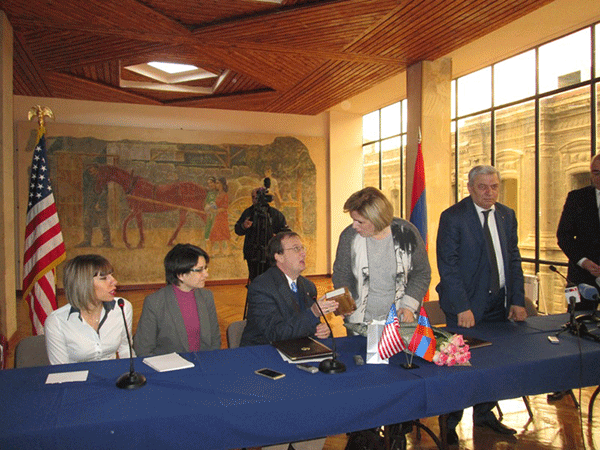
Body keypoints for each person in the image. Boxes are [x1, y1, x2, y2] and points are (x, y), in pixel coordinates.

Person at [436, 165, 527, 443]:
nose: (490, 192)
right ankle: (450, 423)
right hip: (465, 306)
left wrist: (517, 299)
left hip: (499, 303)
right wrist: (462, 306)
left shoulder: (506, 215)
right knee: (460, 365)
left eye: (494, 186)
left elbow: (513, 259)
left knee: (493, 361)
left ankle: (485, 415)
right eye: (483, 187)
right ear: (470, 187)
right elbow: (448, 266)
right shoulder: (453, 217)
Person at [240, 231, 338, 450]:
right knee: (285, 409)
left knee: (326, 398)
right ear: (278, 256)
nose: (303, 253)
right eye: (296, 249)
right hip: (264, 358)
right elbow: (275, 333)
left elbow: (306, 326)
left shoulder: (308, 286)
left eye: (303, 248)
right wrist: (313, 313)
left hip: (297, 354)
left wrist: (321, 330)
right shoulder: (262, 286)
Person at [332, 187, 431, 326]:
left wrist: (409, 305)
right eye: (353, 220)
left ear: (376, 220)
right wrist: (346, 302)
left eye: (360, 222)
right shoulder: (349, 236)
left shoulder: (407, 233)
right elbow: (341, 274)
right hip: (360, 321)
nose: (354, 226)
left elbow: (422, 273)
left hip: (401, 318)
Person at [134, 243, 221, 357]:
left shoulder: (206, 296)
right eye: (200, 270)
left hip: (204, 362)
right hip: (168, 365)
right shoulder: (155, 302)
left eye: (205, 268)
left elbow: (215, 339)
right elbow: (143, 349)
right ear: (180, 275)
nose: (206, 274)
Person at [44, 254, 133, 365]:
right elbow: (60, 369)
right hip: (76, 375)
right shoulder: (56, 321)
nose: (114, 282)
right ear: (83, 284)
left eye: (111, 275)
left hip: (112, 373)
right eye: (104, 278)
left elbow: (126, 349)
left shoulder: (122, 307)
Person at [557, 153, 600, 311]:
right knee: (576, 321)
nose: (599, 177)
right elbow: (564, 236)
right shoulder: (576, 198)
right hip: (580, 276)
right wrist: (584, 262)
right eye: (596, 172)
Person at [234, 187, 290, 282]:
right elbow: (237, 230)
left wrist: (277, 237)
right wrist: (243, 226)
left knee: (271, 281)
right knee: (255, 281)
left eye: (257, 197)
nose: (255, 200)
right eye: (253, 197)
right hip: (252, 255)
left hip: (271, 254)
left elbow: (287, 232)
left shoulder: (275, 214)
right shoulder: (248, 213)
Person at [75, 164, 112, 248]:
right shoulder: (90, 179)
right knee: (86, 220)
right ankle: (87, 241)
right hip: (90, 203)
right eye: (90, 171)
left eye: (92, 170)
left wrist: (99, 203)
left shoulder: (102, 179)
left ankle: (107, 242)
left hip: (100, 204)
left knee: (103, 223)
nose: (90, 172)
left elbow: (104, 192)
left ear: (97, 170)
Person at [207, 177, 230, 255]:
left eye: (217, 183)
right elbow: (216, 205)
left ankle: (210, 252)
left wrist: (215, 211)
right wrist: (211, 208)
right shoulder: (218, 194)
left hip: (222, 216)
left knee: (219, 232)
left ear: (222, 184)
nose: (216, 185)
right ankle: (220, 251)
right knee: (219, 233)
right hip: (218, 216)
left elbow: (225, 207)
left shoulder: (225, 195)